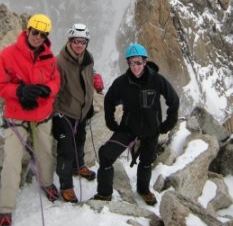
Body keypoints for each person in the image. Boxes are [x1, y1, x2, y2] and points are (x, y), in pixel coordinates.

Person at [0, 13, 61, 226]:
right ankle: (5, 208)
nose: (38, 37)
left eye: (43, 35)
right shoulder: (8, 55)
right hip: (16, 116)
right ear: (27, 30)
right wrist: (21, 91)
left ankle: (47, 183)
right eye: (35, 32)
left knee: (45, 152)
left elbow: (55, 82)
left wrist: (46, 91)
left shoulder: (49, 58)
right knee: (12, 160)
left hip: (41, 113)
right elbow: (0, 87)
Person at [94, 43, 179, 205]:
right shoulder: (122, 82)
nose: (135, 67)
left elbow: (173, 101)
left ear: (145, 62)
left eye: (139, 62)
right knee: (106, 154)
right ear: (128, 63)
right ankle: (104, 194)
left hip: (151, 130)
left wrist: (167, 124)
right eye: (132, 63)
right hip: (128, 128)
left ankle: (144, 190)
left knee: (146, 162)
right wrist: (111, 122)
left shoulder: (157, 80)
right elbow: (109, 100)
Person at [53, 23, 104, 203]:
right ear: (70, 41)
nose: (79, 45)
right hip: (65, 113)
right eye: (76, 41)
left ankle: (78, 166)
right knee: (65, 149)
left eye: (83, 42)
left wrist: (94, 84)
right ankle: (66, 186)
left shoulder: (87, 59)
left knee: (80, 139)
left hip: (82, 110)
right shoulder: (59, 62)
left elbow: (87, 78)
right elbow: (54, 90)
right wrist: (56, 114)